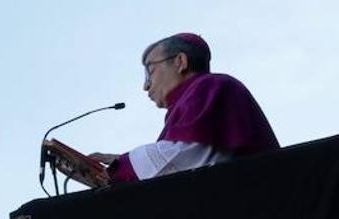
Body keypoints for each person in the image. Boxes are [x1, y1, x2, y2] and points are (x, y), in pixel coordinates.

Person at [92, 33, 278, 182]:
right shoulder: (191, 97)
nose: (145, 85)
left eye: (150, 71)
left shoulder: (210, 86)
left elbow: (188, 154)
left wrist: (121, 167)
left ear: (180, 62)